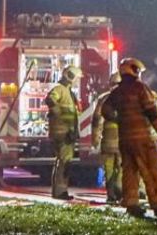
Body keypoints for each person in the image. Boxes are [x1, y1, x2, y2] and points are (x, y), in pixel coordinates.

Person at [101, 58, 157, 218]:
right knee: (151, 170)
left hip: (124, 139)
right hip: (142, 138)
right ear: (132, 70)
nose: (139, 74)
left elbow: (105, 110)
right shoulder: (140, 88)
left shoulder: (117, 92)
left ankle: (131, 203)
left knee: (129, 171)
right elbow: (151, 111)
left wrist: (118, 119)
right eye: (138, 71)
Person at [45, 65, 82, 200]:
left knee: (62, 161)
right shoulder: (60, 89)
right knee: (64, 162)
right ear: (70, 76)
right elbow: (49, 99)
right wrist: (58, 114)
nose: (77, 80)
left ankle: (59, 190)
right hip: (63, 133)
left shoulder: (68, 92)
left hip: (66, 132)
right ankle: (60, 191)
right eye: (76, 78)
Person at [91, 72, 123, 204]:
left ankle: (111, 195)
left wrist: (95, 139)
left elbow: (96, 120)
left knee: (108, 168)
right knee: (121, 168)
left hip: (107, 141)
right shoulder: (127, 98)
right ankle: (120, 194)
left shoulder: (103, 99)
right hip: (122, 142)